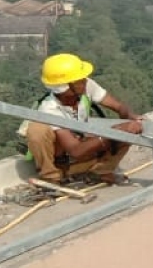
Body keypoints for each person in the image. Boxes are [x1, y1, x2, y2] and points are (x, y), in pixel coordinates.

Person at [21, 52, 144, 186]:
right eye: (79, 80)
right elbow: (76, 150)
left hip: (83, 154)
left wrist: (129, 116)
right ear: (65, 87)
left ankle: (100, 172)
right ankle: (51, 178)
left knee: (126, 132)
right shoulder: (49, 108)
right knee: (37, 129)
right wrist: (115, 131)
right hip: (63, 162)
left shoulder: (85, 86)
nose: (85, 81)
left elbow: (118, 106)